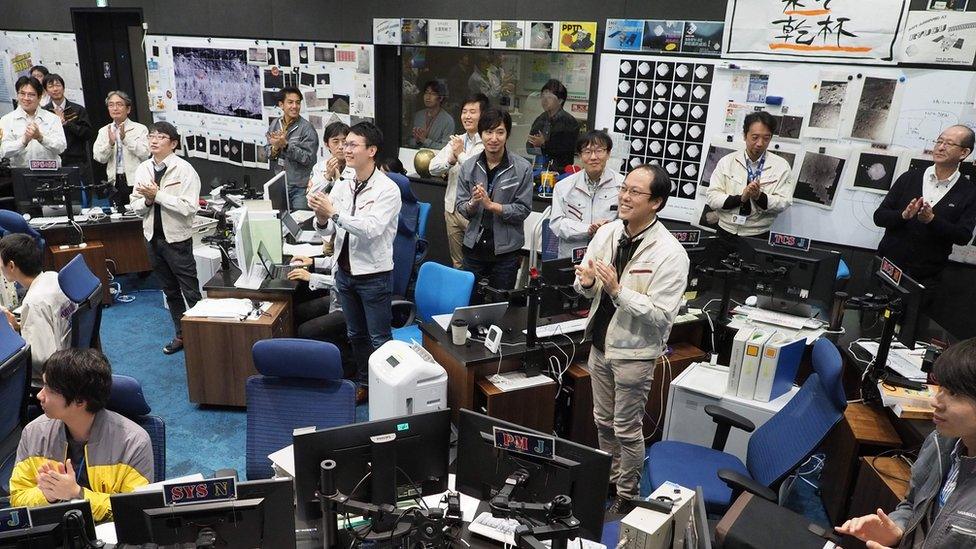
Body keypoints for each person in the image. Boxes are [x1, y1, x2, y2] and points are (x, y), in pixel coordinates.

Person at [573, 164, 690, 513]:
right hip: (599, 345)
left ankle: (626, 495)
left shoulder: (670, 253)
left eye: (635, 192)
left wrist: (618, 291)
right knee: (601, 421)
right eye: (624, 189)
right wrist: (590, 284)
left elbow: (662, 315)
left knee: (626, 429)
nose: (624, 196)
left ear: (655, 202)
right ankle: (607, 482)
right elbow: (583, 287)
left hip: (634, 355)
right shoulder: (607, 233)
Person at [836, 338, 976, 549]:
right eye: (941, 388)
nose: (935, 402)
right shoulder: (942, 441)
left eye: (953, 394)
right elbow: (912, 505)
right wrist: (897, 529)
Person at [308, 122, 401, 403]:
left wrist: (333, 213)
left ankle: (389, 391)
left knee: (379, 339)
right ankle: (366, 383)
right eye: (344, 144)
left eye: (352, 144)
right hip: (345, 273)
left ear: (371, 151)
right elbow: (326, 230)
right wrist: (322, 218)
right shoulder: (345, 183)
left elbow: (370, 229)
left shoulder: (388, 189)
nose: (345, 149)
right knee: (355, 334)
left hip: (373, 276)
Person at [9, 349, 153, 522]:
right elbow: (17, 499)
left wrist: (77, 494)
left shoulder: (133, 442)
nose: (40, 395)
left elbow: (135, 511)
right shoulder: (34, 433)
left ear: (80, 401)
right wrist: (47, 495)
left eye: (49, 389)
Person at [129, 121, 201, 355]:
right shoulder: (143, 169)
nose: (154, 140)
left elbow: (189, 207)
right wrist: (148, 200)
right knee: (169, 291)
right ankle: (181, 335)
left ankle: (202, 336)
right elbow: (136, 206)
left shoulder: (185, 170)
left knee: (190, 291)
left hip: (177, 240)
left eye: (160, 137)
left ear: (173, 144)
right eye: (151, 136)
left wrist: (157, 195)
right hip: (152, 238)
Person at [874, 125, 976, 289]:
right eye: (939, 141)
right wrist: (904, 216)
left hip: (926, 277)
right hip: (888, 267)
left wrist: (932, 220)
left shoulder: (969, 191)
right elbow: (879, 217)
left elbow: (963, 236)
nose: (941, 147)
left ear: (964, 153)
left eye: (949, 144)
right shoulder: (909, 177)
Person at [455, 108, 533, 291]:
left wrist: (492, 206)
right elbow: (461, 207)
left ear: (507, 135)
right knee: (469, 302)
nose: (494, 138)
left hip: (506, 252)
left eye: (500, 132)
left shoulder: (522, 168)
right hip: (474, 247)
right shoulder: (469, 166)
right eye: (488, 132)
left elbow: (523, 209)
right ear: (481, 134)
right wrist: (474, 202)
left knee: (501, 304)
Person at [705, 111, 794, 250]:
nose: (760, 143)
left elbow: (784, 202)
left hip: (758, 235)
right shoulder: (727, 162)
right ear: (744, 135)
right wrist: (741, 198)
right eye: (755, 137)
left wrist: (759, 197)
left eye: (766, 138)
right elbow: (712, 197)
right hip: (725, 232)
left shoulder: (781, 166)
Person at [0, 234, 74, 381]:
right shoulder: (53, 277)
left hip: (52, 379)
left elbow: (40, 361)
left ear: (12, 266)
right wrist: (20, 327)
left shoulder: (34, 302)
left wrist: (11, 335)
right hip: (70, 357)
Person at [430, 93, 489, 268]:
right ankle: (461, 296)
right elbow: (432, 167)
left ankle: (476, 296)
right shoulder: (457, 140)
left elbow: (477, 174)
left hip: (475, 213)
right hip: (452, 208)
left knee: (478, 263)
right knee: (457, 263)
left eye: (473, 111)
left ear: (483, 115)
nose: (467, 116)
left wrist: (460, 155)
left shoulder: (488, 143)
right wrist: (450, 160)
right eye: (464, 112)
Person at [549, 130, 624, 259]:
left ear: (608, 154)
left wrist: (607, 229)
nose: (593, 157)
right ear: (579, 155)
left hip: (607, 258)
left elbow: (628, 222)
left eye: (599, 151)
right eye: (587, 152)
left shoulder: (622, 185)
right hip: (572, 258)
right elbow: (557, 224)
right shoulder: (563, 187)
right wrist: (587, 229)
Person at [92, 91, 150, 211]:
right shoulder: (104, 131)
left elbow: (146, 154)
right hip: (114, 182)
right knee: (117, 215)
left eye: (119, 104)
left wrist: (125, 139)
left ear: (128, 109)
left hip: (136, 181)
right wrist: (110, 143)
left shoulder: (140, 129)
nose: (115, 108)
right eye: (111, 105)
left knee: (138, 213)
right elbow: (99, 158)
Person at [267, 86, 318, 210]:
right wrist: (274, 148)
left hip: (300, 188)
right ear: (281, 105)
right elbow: (267, 151)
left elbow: (308, 159)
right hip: (280, 185)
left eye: (298, 103)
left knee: (300, 223)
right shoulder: (275, 124)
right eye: (290, 102)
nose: (295, 106)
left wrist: (286, 145)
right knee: (280, 223)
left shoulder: (307, 128)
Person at [0, 76, 66, 168]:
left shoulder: (53, 118)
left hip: (50, 172)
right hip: (21, 173)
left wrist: (41, 138)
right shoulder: (6, 120)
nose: (26, 98)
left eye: (31, 95)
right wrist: (23, 141)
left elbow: (61, 148)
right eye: (22, 94)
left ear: (39, 97)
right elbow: (4, 151)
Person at [42, 74, 95, 183]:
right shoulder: (44, 112)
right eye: (51, 86)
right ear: (46, 91)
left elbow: (88, 133)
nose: (55, 89)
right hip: (53, 161)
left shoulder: (78, 109)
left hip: (77, 161)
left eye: (58, 85)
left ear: (63, 88)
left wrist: (66, 123)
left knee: (82, 196)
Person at [527, 79, 581, 170]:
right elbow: (529, 146)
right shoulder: (540, 119)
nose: (544, 100)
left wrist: (544, 144)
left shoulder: (569, 122)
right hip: (539, 167)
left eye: (549, 97)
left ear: (560, 101)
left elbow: (567, 149)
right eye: (543, 96)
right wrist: (535, 145)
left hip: (559, 170)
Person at [409, 80, 454, 150]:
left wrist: (425, 141)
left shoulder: (448, 120)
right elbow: (409, 140)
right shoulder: (418, 116)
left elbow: (446, 147)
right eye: (426, 93)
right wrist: (417, 141)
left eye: (433, 94)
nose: (428, 97)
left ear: (441, 98)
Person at [309, 121, 351, 193]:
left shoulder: (356, 167)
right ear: (327, 144)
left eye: (344, 141)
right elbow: (310, 196)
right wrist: (327, 176)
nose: (341, 146)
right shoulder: (319, 167)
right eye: (335, 142)